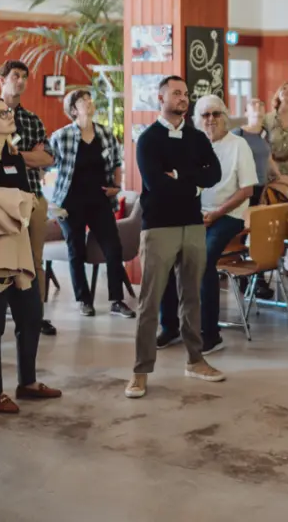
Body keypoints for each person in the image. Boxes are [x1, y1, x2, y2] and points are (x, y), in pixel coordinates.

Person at [0, 95, 63, 413]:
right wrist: (7, 200)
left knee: (31, 314)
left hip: (17, 246)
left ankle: (27, 382)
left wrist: (15, 201)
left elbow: (24, 197)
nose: (9, 116)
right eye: (1, 114)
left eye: (8, 112)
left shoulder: (14, 156)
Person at [128, 75, 226, 398]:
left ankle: (195, 360)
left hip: (193, 225)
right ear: (160, 98)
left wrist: (185, 178)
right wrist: (194, 183)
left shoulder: (197, 138)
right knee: (150, 301)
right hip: (158, 228)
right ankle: (140, 371)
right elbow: (157, 185)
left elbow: (214, 173)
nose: (183, 98)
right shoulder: (148, 140)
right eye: (176, 93)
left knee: (192, 297)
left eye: (186, 93)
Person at [159, 94, 258, 349]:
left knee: (203, 261)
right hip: (196, 213)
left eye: (216, 114)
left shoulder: (239, 145)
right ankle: (170, 327)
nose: (211, 120)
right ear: (197, 120)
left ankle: (210, 335)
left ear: (225, 117)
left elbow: (247, 191)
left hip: (229, 216)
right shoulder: (191, 145)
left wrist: (215, 214)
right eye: (205, 115)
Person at [48, 88, 131, 318]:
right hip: (70, 202)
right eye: (83, 100)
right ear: (74, 110)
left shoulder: (105, 133)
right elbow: (46, 161)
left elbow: (116, 163)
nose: (89, 102)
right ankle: (83, 299)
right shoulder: (61, 136)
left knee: (113, 248)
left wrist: (117, 186)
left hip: (100, 200)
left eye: (90, 99)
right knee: (76, 251)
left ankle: (117, 300)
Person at [0, 60, 58, 336]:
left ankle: (36, 316)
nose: (20, 81)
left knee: (34, 261)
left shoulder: (32, 119)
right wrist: (27, 157)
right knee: (2, 261)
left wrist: (14, 155)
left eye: (24, 77)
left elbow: (47, 158)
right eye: (15, 76)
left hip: (32, 197)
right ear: (3, 79)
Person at [236, 98, 274, 185]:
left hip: (263, 185)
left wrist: (280, 177)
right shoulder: (238, 134)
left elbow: (269, 158)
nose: (258, 105)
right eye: (253, 103)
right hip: (245, 187)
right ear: (246, 113)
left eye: (261, 104)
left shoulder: (265, 132)